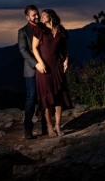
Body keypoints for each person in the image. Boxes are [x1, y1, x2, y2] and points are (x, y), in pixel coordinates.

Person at [32, 8, 73, 137]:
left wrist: (66, 60)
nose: (41, 17)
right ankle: (50, 127)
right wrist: (40, 63)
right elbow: (34, 48)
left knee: (59, 97)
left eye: (44, 15)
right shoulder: (40, 30)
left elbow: (64, 47)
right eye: (41, 15)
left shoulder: (61, 30)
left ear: (51, 16)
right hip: (44, 68)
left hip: (58, 66)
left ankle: (58, 125)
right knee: (47, 98)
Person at [18, 5, 48, 139]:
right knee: (31, 97)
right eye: (33, 15)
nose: (36, 17)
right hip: (31, 69)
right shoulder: (23, 31)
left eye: (37, 14)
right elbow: (23, 50)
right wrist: (36, 64)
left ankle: (46, 127)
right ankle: (28, 129)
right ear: (27, 17)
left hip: (46, 67)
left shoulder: (44, 27)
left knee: (45, 97)